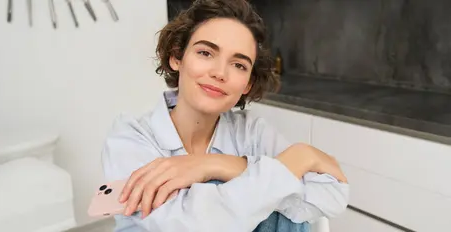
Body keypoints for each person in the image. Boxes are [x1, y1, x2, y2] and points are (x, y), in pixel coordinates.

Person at [100, 0, 349, 231]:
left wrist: (217, 165)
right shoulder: (129, 138)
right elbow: (194, 226)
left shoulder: (252, 132)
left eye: (238, 65)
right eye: (205, 53)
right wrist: (300, 159)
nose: (220, 73)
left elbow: (333, 196)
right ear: (177, 57)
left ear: (247, 84)